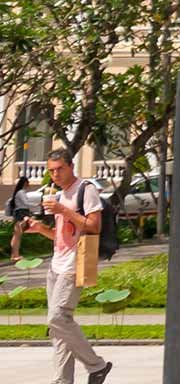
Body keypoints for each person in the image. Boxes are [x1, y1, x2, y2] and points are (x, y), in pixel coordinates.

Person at [22, 149, 111, 384]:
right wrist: (40, 229)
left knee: (57, 318)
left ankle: (97, 365)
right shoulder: (60, 195)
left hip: (76, 263)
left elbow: (93, 226)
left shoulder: (85, 189)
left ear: (71, 166)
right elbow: (62, 236)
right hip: (56, 265)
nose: (55, 174)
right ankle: (62, 380)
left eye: (60, 169)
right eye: (51, 171)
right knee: (58, 328)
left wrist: (63, 210)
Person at [7, 175, 28, 260]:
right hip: (21, 213)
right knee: (17, 235)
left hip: (19, 213)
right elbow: (26, 203)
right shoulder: (21, 192)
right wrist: (37, 204)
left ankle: (14, 254)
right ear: (25, 183)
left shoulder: (19, 192)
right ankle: (15, 255)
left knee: (17, 235)